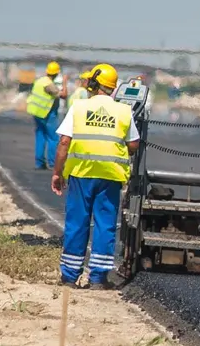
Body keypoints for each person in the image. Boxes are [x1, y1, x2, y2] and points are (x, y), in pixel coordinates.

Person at [50, 64, 139, 289]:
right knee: (105, 224)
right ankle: (99, 278)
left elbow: (63, 142)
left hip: (82, 173)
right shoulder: (123, 111)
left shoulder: (79, 107)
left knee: (77, 222)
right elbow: (134, 145)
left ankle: (70, 276)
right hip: (110, 176)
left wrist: (57, 173)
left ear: (94, 84)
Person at [27, 61, 62, 170]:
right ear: (56, 74)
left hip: (36, 113)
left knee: (40, 136)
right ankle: (52, 163)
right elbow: (62, 95)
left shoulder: (39, 81)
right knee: (53, 138)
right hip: (46, 114)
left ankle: (39, 163)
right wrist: (64, 82)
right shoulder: (49, 85)